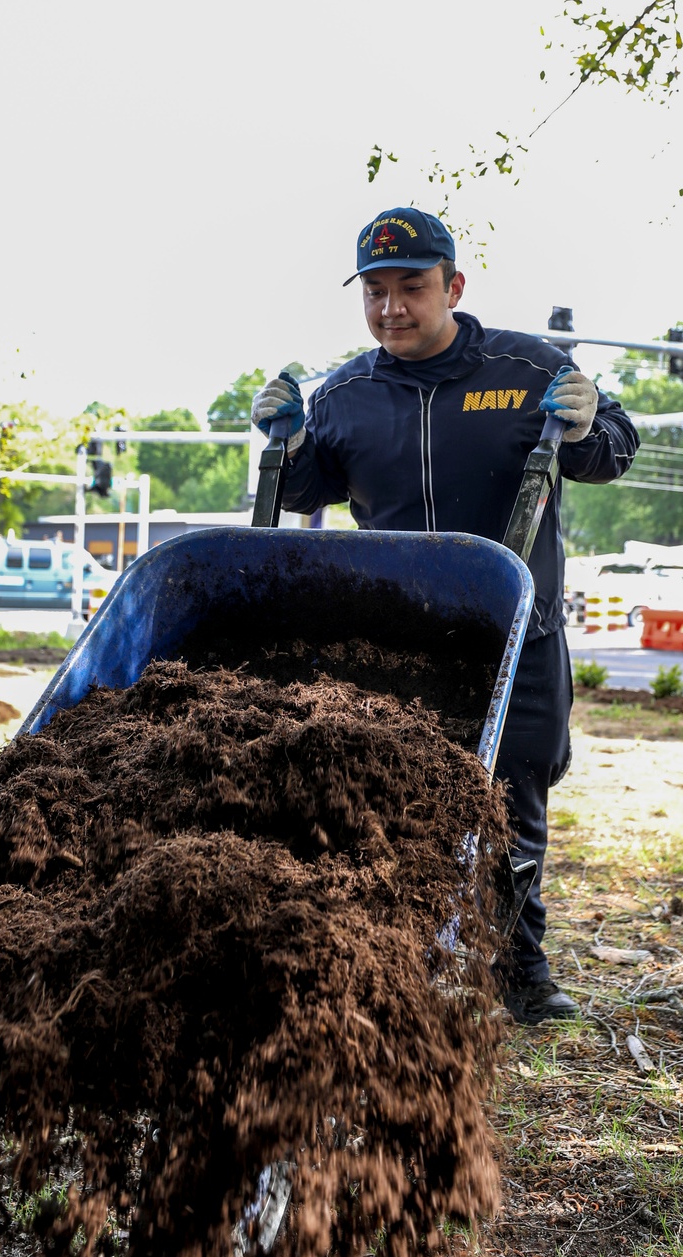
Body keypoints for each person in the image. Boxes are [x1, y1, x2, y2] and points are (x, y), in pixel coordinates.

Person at [251, 206, 639, 1027]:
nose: (392, 308)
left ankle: (518, 969)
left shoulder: (526, 365)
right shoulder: (348, 393)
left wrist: (582, 421)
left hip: (515, 635)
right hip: (395, 640)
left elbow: (612, 449)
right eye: (376, 292)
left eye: (412, 288)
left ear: (453, 286)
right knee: (388, 799)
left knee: (514, 801)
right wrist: (284, 443)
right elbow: (306, 490)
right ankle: (394, 961)